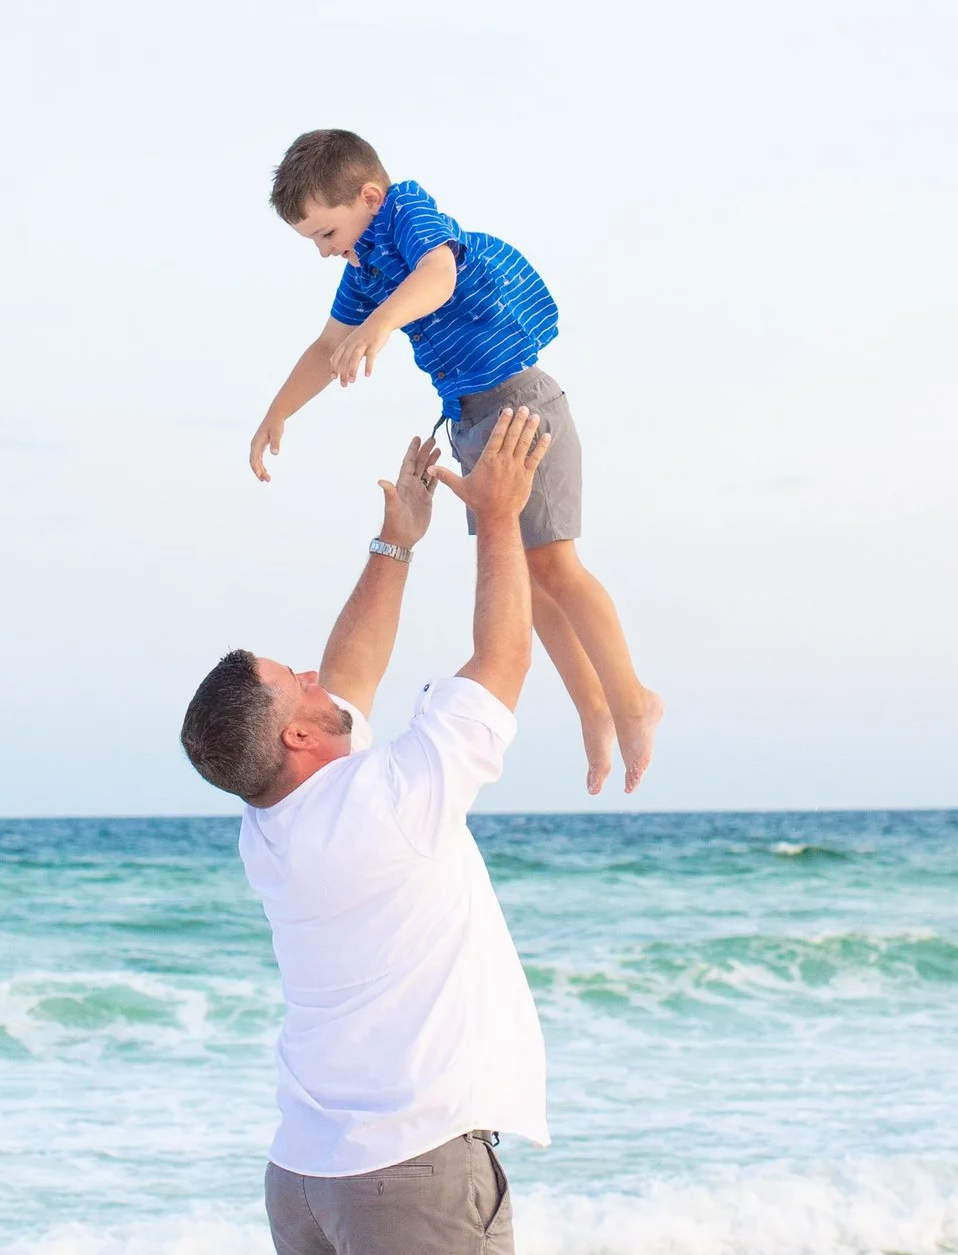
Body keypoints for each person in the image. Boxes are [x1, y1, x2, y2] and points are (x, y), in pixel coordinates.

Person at [178, 405, 554, 1255]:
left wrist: (394, 541)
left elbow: (345, 673)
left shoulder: (275, 820)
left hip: (313, 1177)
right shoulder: (388, 798)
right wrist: (495, 522)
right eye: (295, 682)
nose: (318, 676)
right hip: (413, 1168)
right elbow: (500, 664)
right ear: (298, 735)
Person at [247, 126, 664, 794]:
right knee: (525, 583)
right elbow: (328, 347)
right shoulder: (365, 270)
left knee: (556, 565)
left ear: (369, 197)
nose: (325, 252)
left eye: (327, 233)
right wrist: (279, 411)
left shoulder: (407, 213)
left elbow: (439, 275)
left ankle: (633, 700)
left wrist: (382, 325)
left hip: (521, 406)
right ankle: (593, 708)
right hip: (473, 424)